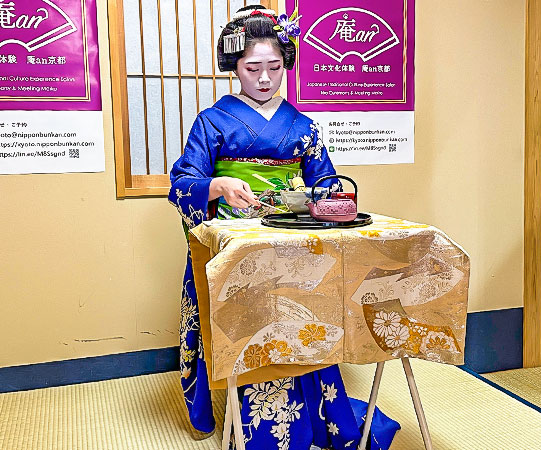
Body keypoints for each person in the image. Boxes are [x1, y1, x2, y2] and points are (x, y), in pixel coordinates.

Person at [168, 6, 399, 449]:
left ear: (285, 65)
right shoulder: (211, 122)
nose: (263, 78)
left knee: (304, 322)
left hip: (293, 243)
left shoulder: (304, 126)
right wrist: (215, 184)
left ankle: (310, 413)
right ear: (234, 67)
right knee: (245, 324)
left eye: (274, 67)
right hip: (234, 244)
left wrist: (322, 201)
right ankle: (246, 416)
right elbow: (182, 182)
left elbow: (329, 186)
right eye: (252, 68)